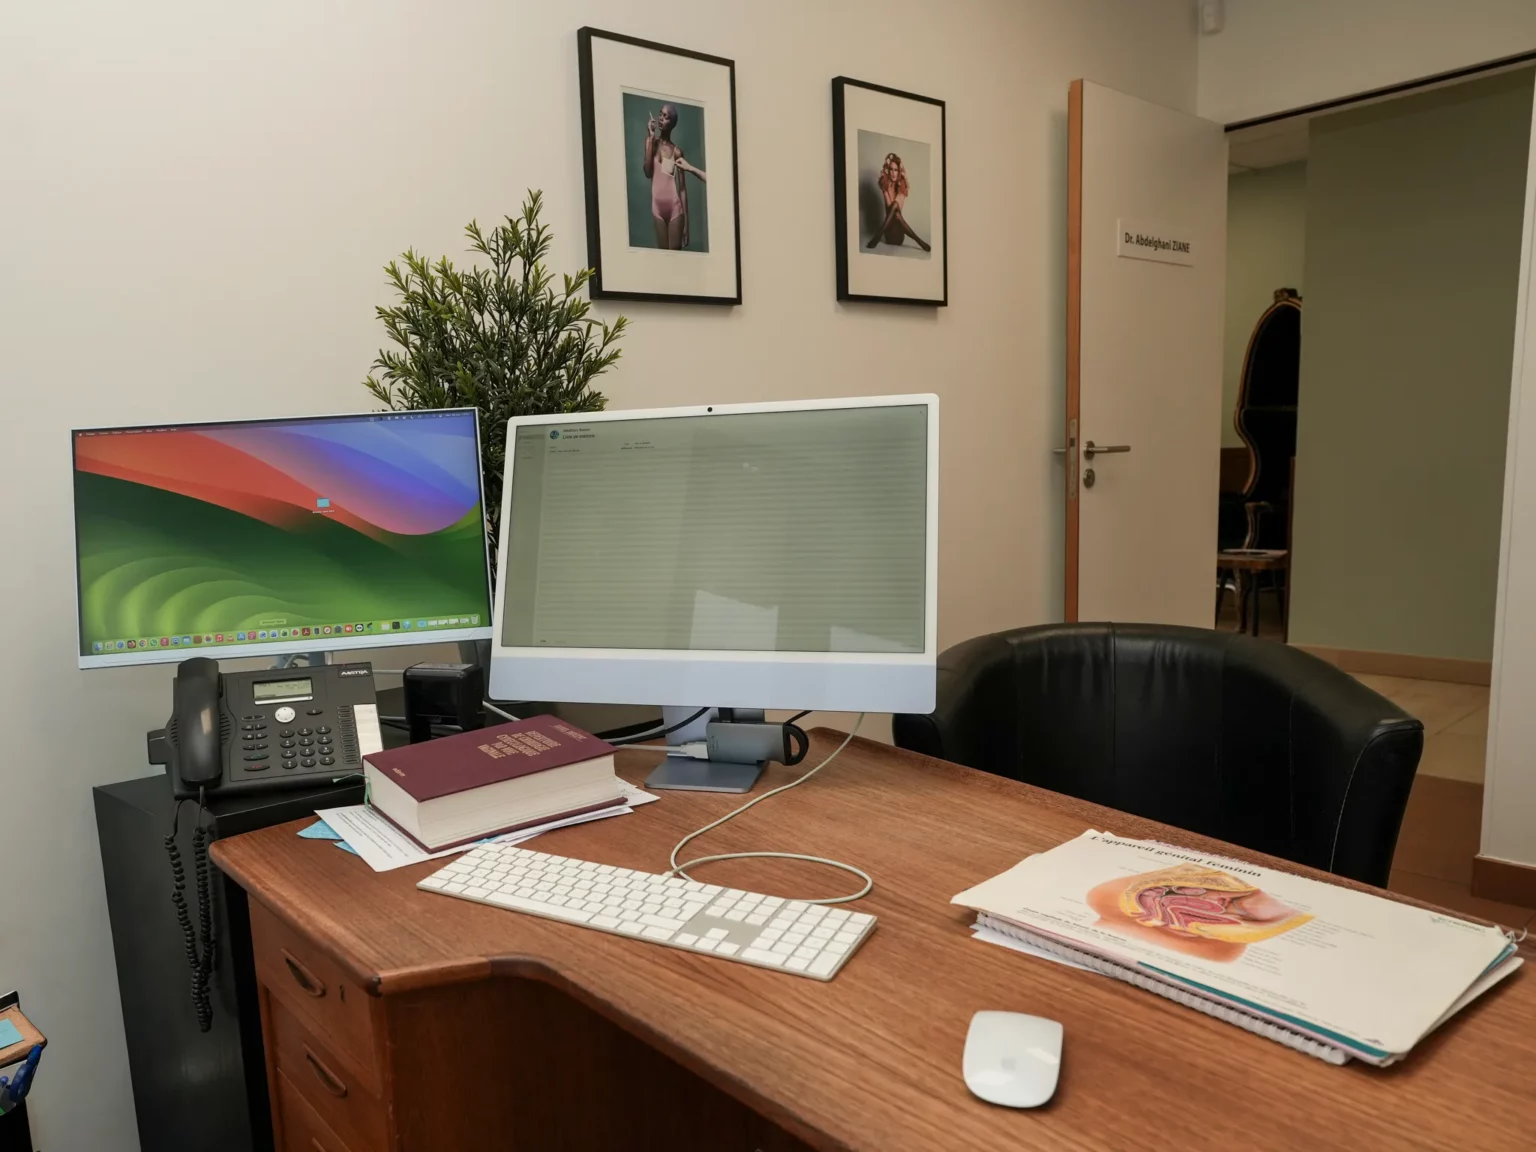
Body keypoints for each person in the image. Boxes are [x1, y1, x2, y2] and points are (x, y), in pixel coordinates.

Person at [643, 104, 707, 250]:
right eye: (660, 114)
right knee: (664, 258)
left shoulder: (677, 152)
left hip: (675, 210)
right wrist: (650, 138)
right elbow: (647, 172)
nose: (661, 118)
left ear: (672, 124)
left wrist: (687, 226)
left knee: (676, 258)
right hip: (657, 209)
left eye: (666, 117)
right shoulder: (651, 143)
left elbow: (683, 190)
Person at [867, 152, 930, 252]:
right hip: (889, 234)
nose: (893, 173)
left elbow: (897, 209)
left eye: (896, 170)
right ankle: (919, 241)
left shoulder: (902, 186)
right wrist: (886, 188)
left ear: (899, 171)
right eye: (891, 169)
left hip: (899, 235)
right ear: (888, 170)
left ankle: (878, 236)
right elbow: (889, 208)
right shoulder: (885, 185)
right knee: (894, 209)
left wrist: (897, 189)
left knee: (896, 210)